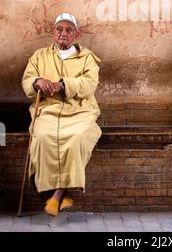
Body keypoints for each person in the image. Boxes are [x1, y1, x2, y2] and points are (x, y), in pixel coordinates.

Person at [22, 12, 102, 216]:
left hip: (80, 110)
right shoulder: (39, 56)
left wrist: (63, 85)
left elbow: (89, 84)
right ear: (52, 33)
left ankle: (57, 196)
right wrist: (37, 81)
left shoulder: (88, 58)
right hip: (48, 110)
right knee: (43, 137)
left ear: (76, 34)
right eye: (59, 29)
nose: (63, 33)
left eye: (68, 30)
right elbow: (27, 80)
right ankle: (61, 194)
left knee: (77, 138)